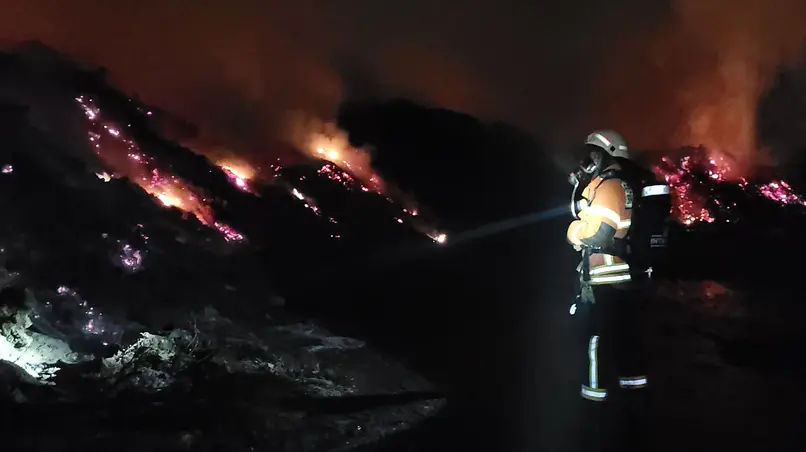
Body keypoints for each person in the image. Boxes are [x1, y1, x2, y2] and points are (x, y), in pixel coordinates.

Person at [566, 130, 653, 451]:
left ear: (606, 155)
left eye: (592, 155)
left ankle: (592, 411)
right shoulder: (616, 187)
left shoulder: (608, 188)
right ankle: (636, 409)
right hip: (619, 282)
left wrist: (574, 232)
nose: (587, 161)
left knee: (594, 343)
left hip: (603, 282)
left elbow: (599, 236)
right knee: (626, 344)